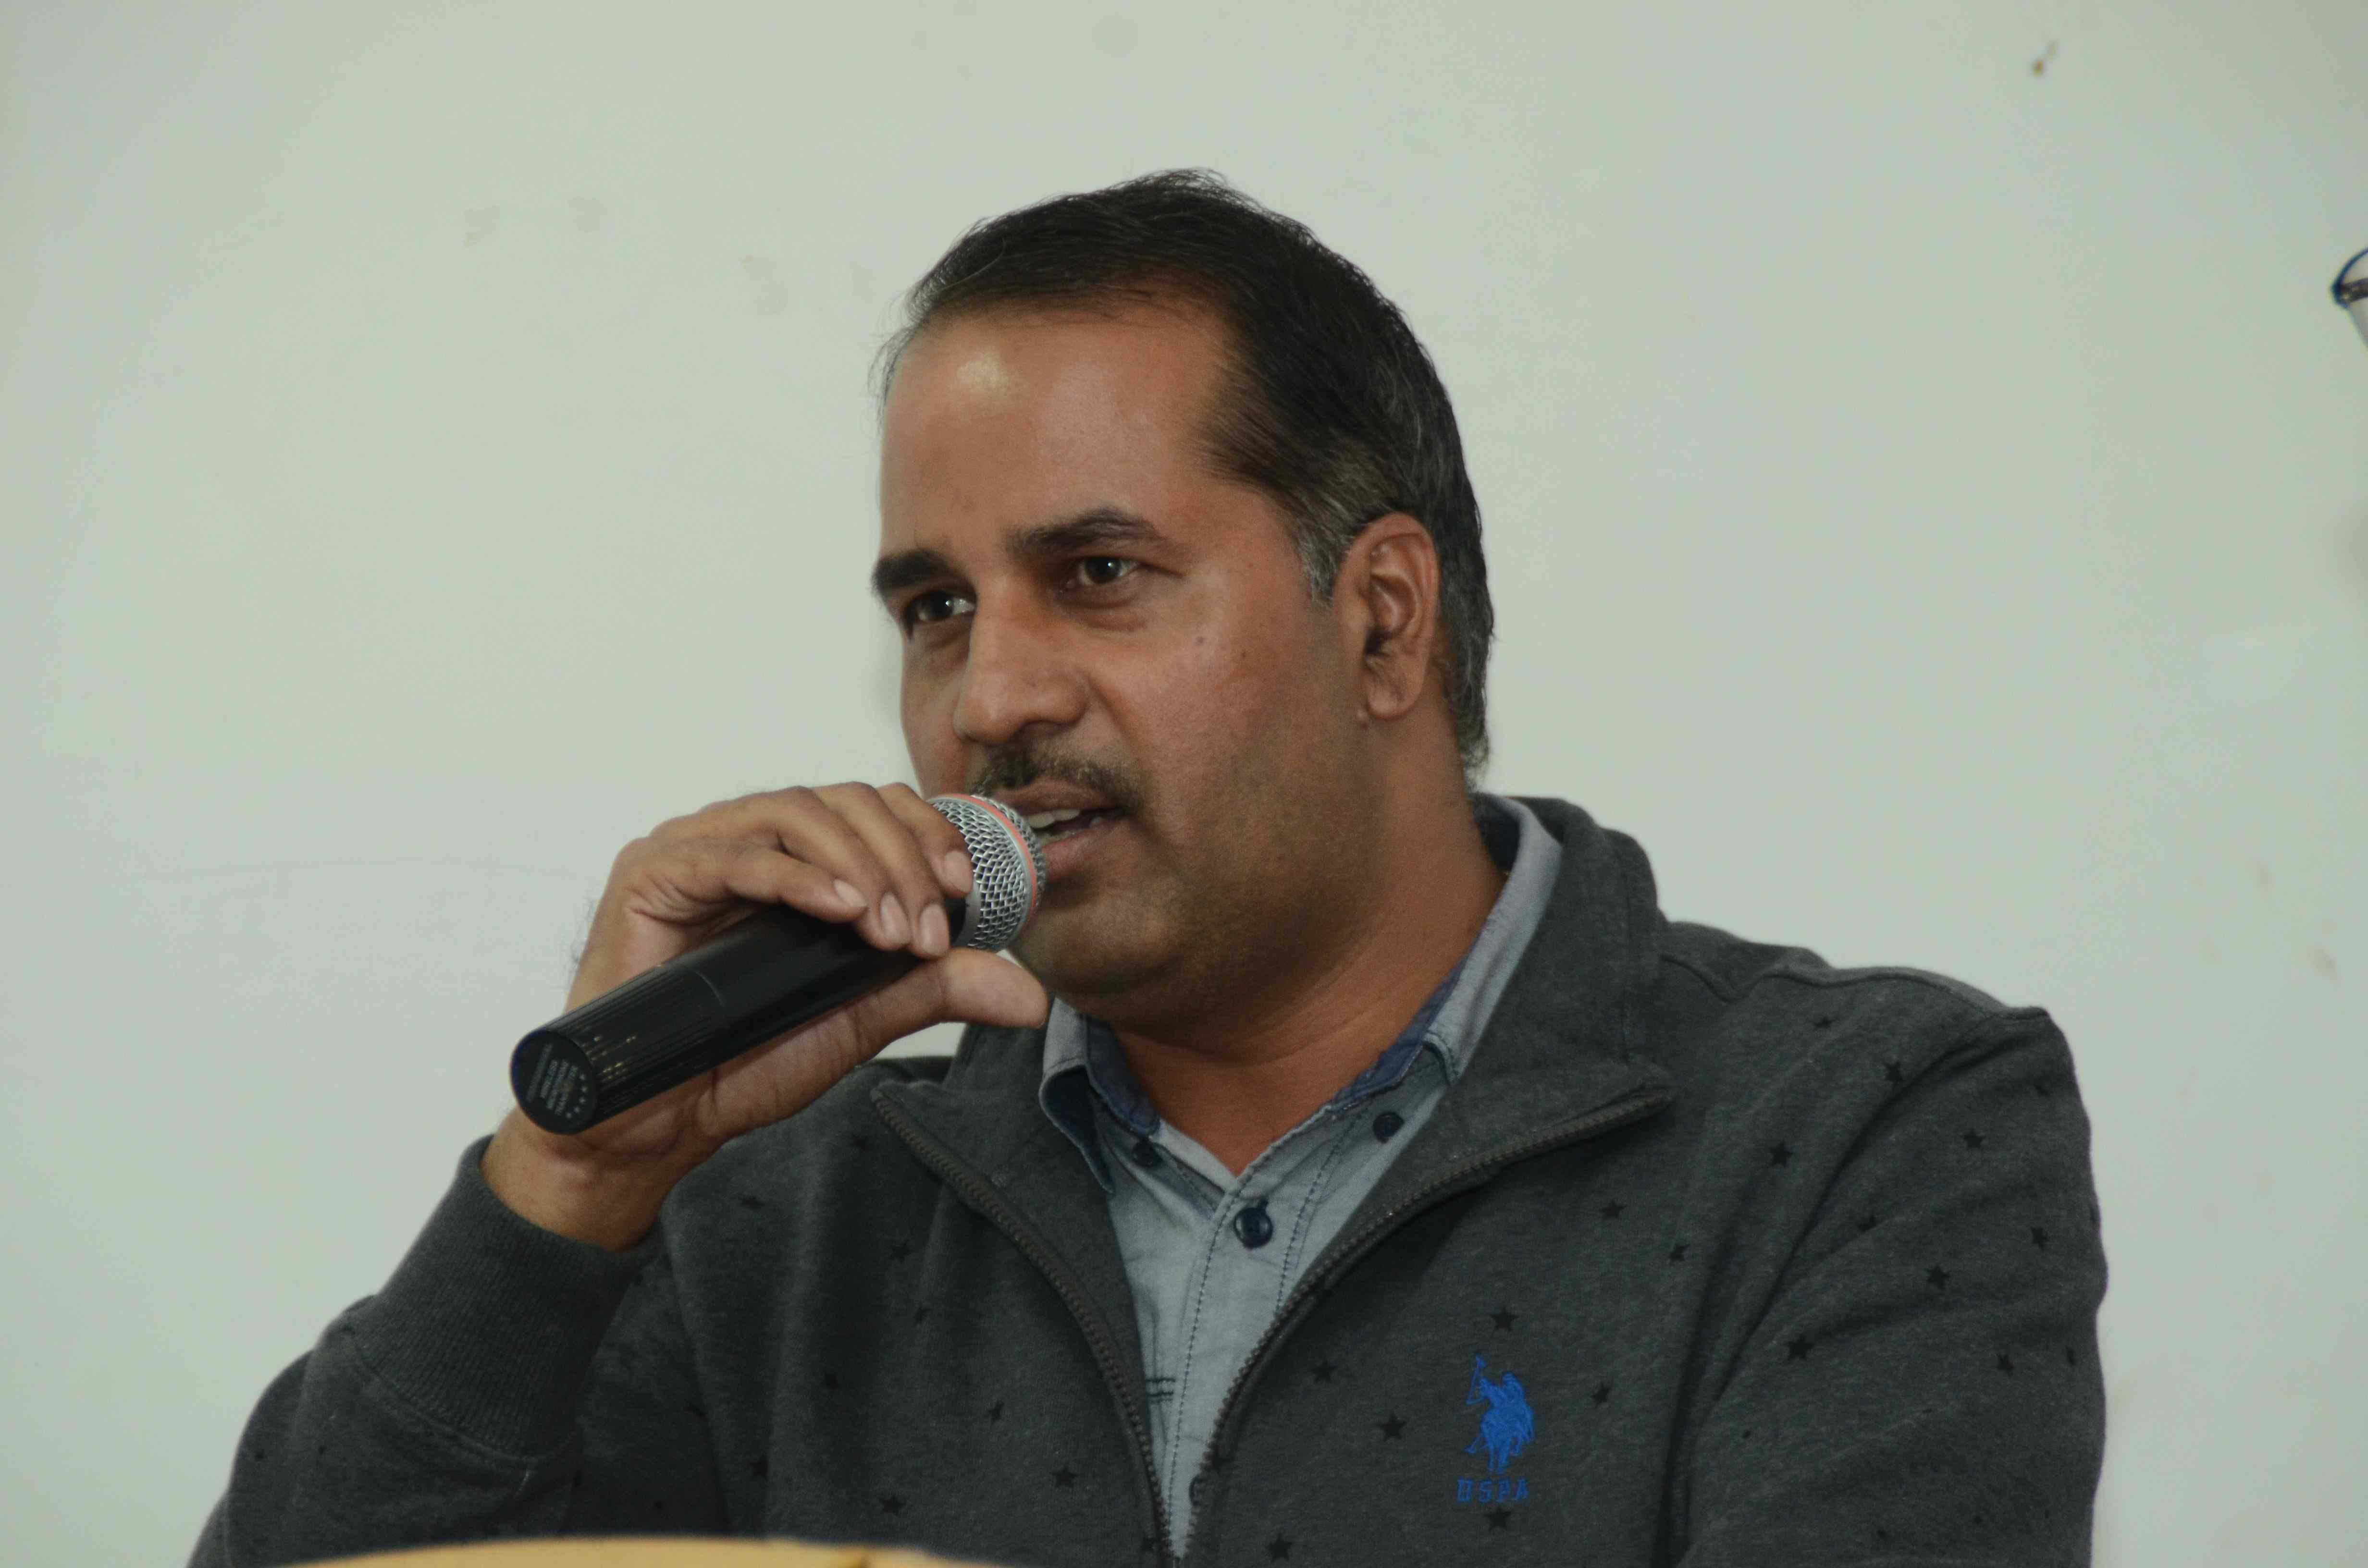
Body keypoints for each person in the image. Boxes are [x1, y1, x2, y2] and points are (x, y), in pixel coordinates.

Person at [190, 170, 2106, 1568]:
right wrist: (573, 1182)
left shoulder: (1865, 1131)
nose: (990, 698)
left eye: (1098, 574)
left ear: (1381, 622)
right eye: (935, 609)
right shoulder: (776, 1213)